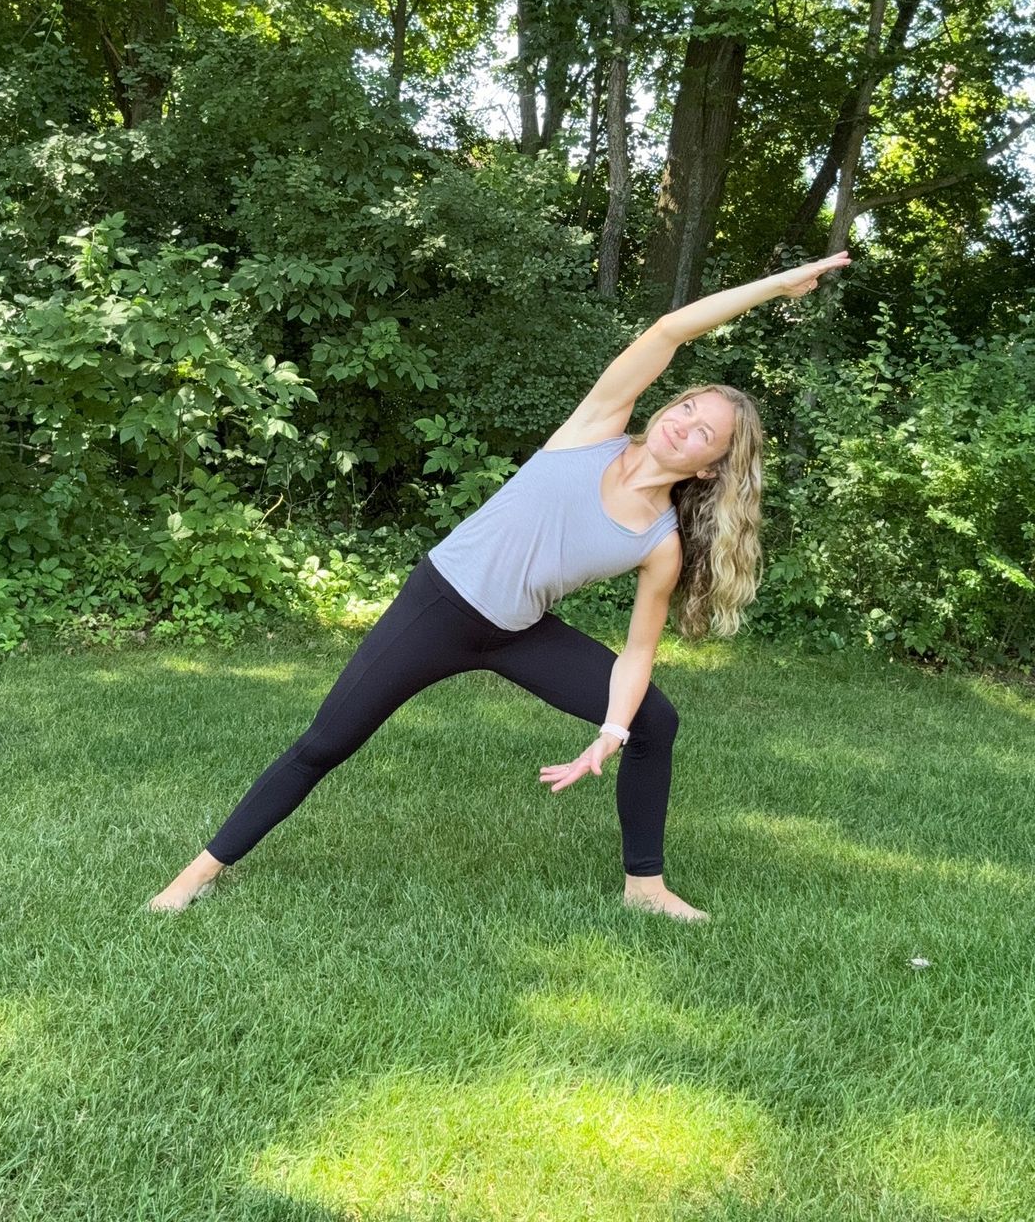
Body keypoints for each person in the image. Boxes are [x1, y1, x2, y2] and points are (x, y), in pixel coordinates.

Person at [148, 253, 850, 919]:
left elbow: (639, 651)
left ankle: (645, 885)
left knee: (653, 722)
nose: (683, 426)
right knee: (325, 743)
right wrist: (776, 287)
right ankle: (193, 877)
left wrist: (609, 730)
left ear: (711, 468)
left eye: (705, 435)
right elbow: (668, 330)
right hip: (440, 603)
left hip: (517, 633)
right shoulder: (596, 428)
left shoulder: (659, 543)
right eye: (687, 409)